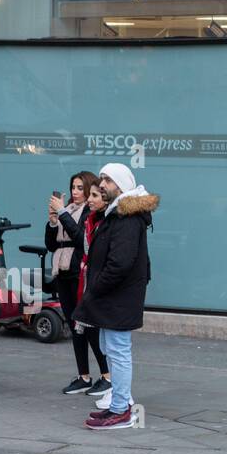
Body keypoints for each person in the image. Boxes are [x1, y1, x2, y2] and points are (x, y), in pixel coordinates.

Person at [73, 163, 155, 430]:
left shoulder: (126, 217)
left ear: (119, 184)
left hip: (118, 296)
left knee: (118, 352)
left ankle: (121, 410)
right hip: (115, 296)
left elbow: (120, 263)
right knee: (111, 349)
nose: (102, 184)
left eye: (107, 180)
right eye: (102, 179)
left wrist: (96, 287)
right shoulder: (118, 213)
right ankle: (118, 405)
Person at [47, 171, 112, 396]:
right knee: (75, 326)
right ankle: (83, 376)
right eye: (72, 187)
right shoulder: (69, 211)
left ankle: (107, 376)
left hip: (80, 273)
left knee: (90, 326)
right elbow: (51, 244)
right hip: (63, 273)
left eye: (79, 188)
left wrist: (63, 213)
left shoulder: (89, 212)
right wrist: (53, 222)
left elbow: (79, 238)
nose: (75, 192)